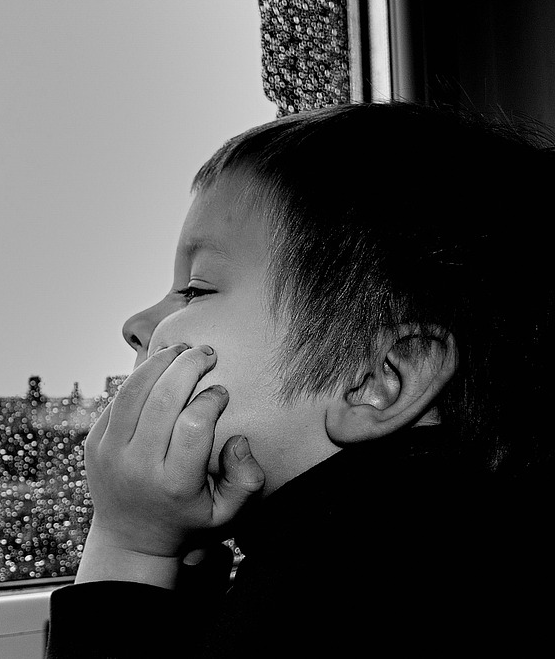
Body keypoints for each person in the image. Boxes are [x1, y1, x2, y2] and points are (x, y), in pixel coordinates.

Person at [46, 102, 555, 657]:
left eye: (196, 288)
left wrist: (132, 548)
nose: (136, 325)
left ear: (378, 379)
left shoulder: (356, 583)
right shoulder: (447, 538)